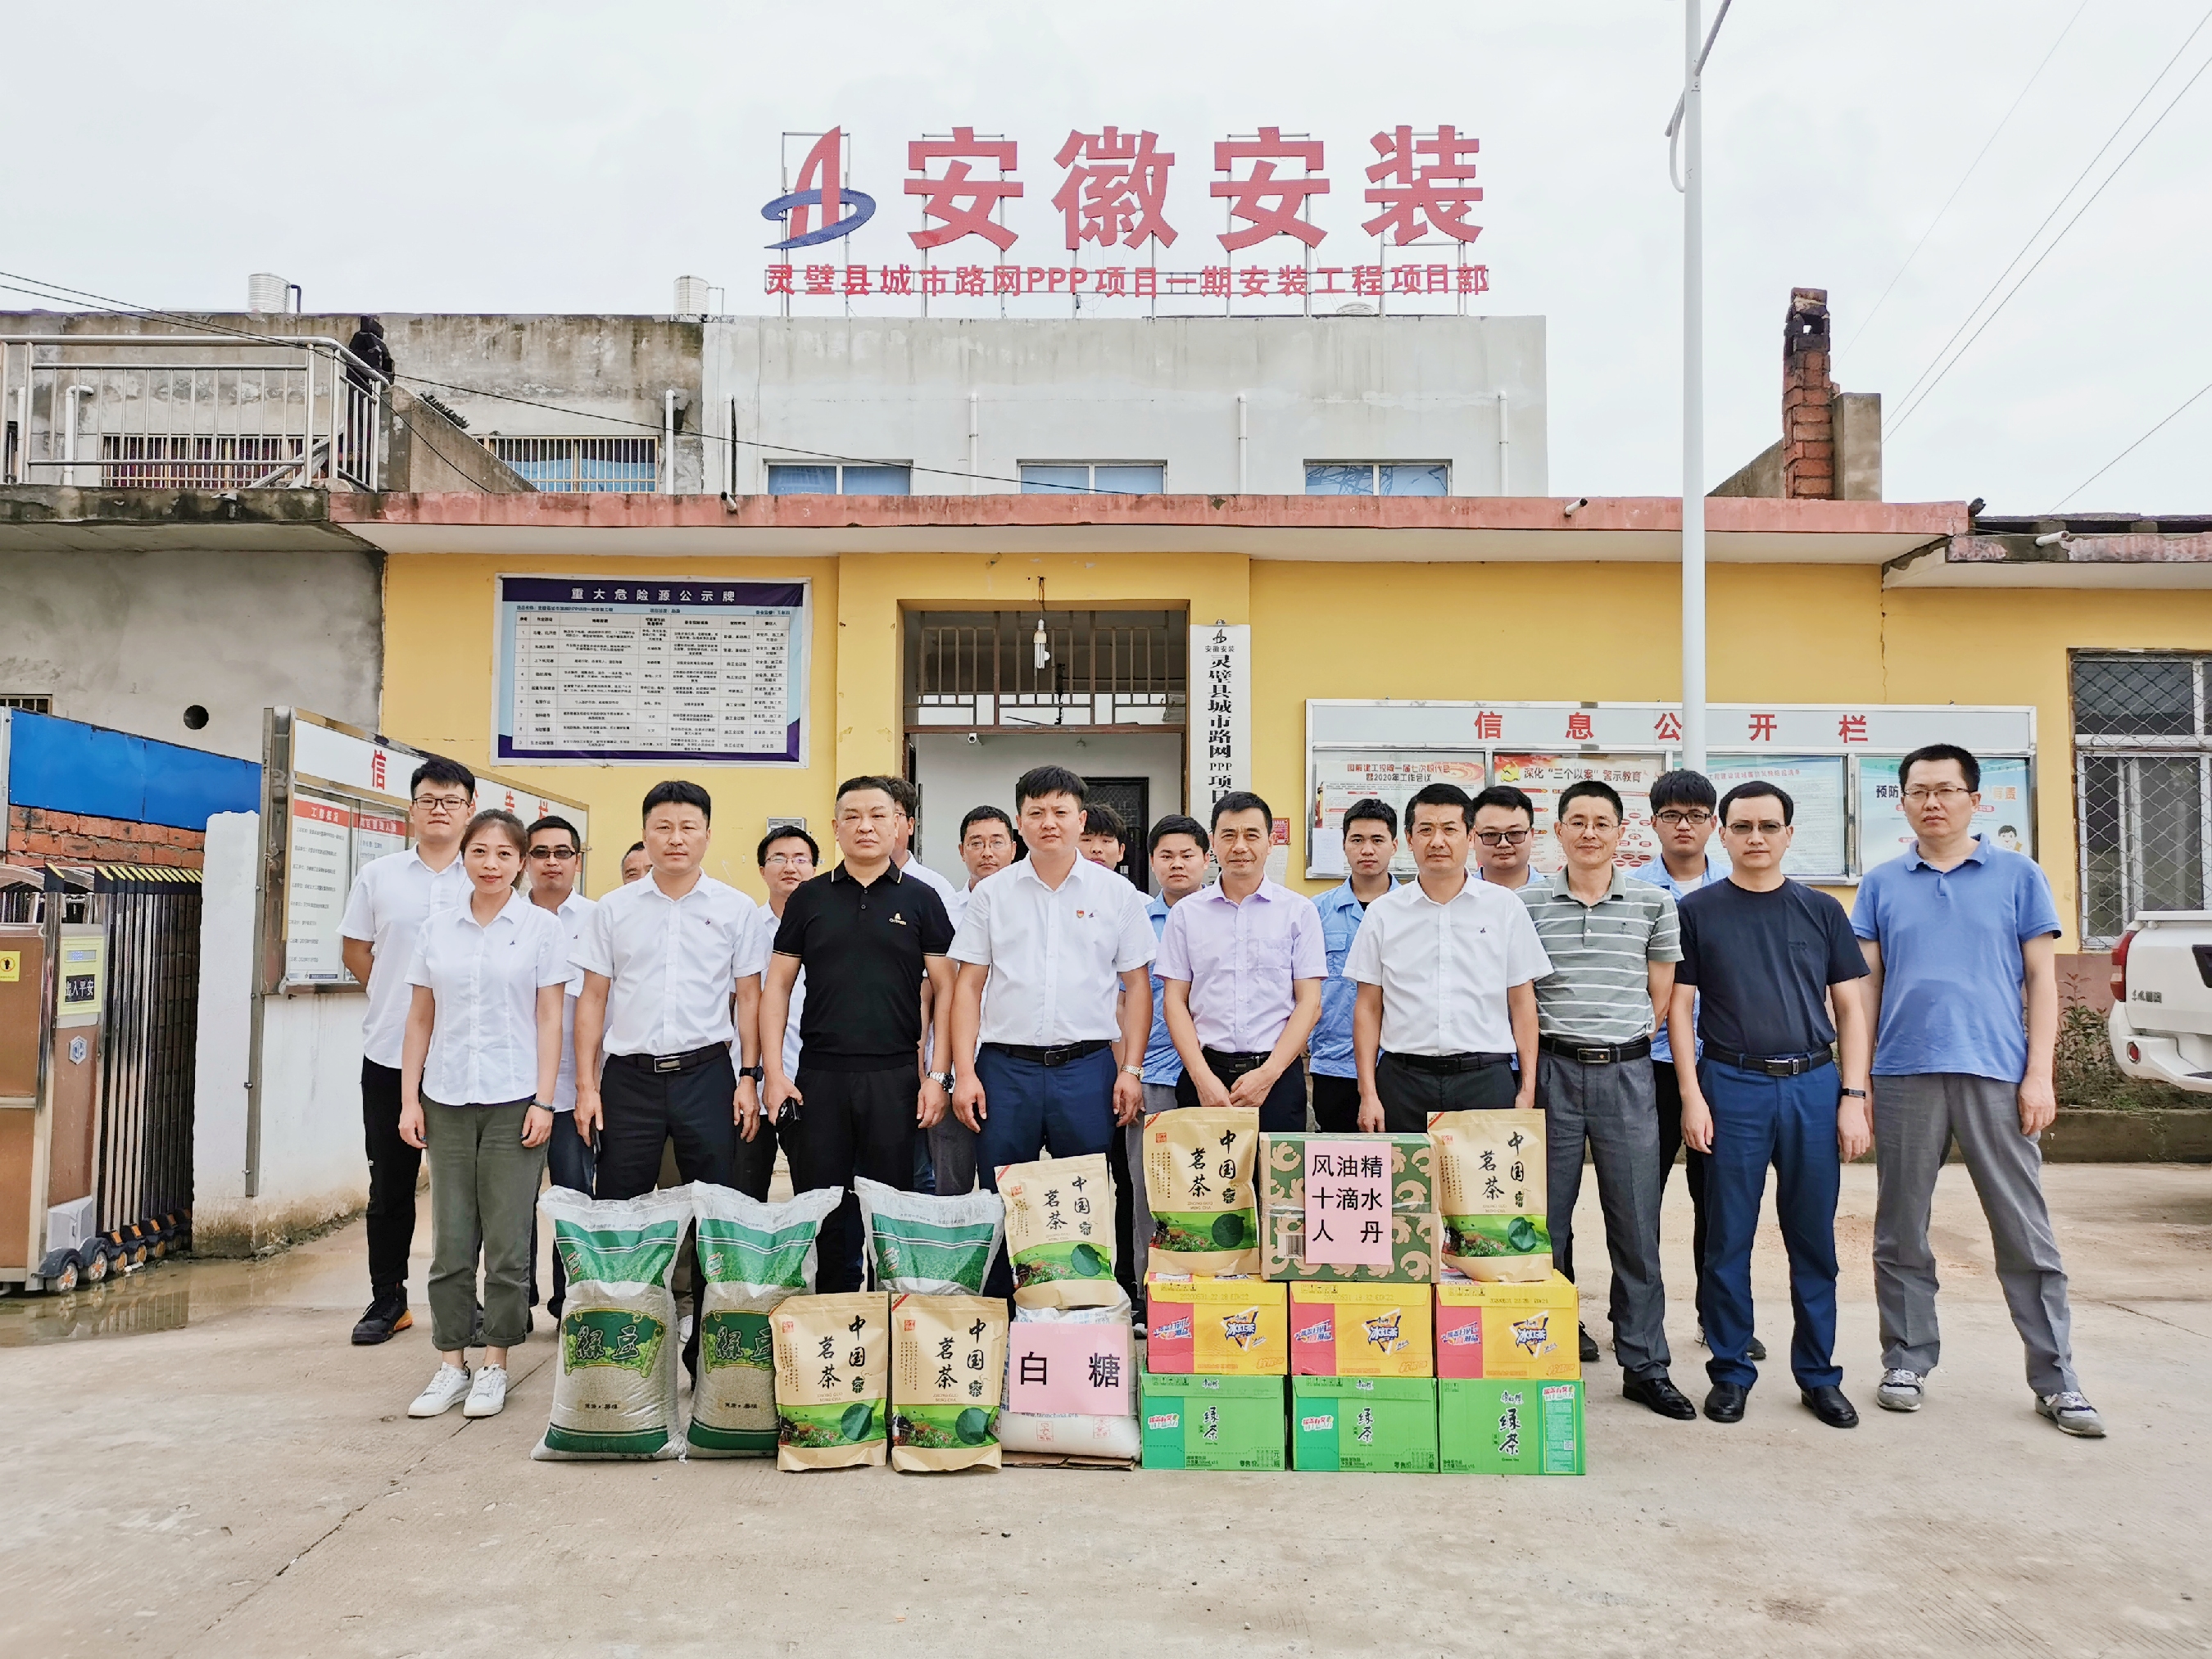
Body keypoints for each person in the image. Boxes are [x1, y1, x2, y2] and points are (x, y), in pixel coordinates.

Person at [1853, 744, 2102, 1437]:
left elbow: (2042, 981)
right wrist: (1858, 1082)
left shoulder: (2019, 875)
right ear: (1902, 801)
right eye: (1918, 791)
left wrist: (2039, 1072)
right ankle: (1906, 1359)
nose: (1932, 802)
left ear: (1975, 799)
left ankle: (2057, 1378)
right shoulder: (1881, 884)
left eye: (1946, 789)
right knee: (1901, 1227)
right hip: (1903, 1073)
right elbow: (1865, 987)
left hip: (1997, 1072)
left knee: (2024, 1230)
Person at [1670, 781, 1871, 1430]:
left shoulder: (1821, 910)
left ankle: (1818, 1375)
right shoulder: (1697, 911)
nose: (1755, 837)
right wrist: (1692, 1095)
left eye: (1768, 825)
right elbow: (1679, 1008)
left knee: (1813, 1239)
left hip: (1813, 1084)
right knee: (1727, 1236)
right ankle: (1730, 1370)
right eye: (1742, 826)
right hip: (1732, 1084)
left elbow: (1850, 1008)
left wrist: (1853, 1096)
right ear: (1722, 833)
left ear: (1788, 834)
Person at [1518, 779, 1691, 1419]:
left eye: (1602, 822)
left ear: (1622, 832)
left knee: (1637, 1225)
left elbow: (1660, 996)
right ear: (1558, 831)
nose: (1589, 832)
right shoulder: (1525, 904)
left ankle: (1645, 1364)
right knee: (1545, 1223)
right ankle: (1545, 1351)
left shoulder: (1653, 903)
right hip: (1551, 1072)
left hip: (1626, 1075)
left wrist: (1619, 1043)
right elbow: (1520, 993)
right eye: (1578, 821)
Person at [948, 766, 1155, 1298]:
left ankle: (1079, 1309)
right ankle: (1003, 1309)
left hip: (1086, 1069)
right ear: (1020, 822)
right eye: (1036, 812)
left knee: (1082, 1194)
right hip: (1004, 1069)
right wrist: (964, 1072)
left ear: (1080, 820)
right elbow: (967, 986)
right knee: (1002, 1194)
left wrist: (1131, 1070)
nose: (1049, 823)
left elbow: (1137, 987)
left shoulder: (1117, 894)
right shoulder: (993, 894)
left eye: (1061, 812)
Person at [397, 809, 566, 1420]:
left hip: (514, 1099)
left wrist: (544, 1099)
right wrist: (409, 1099)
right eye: (480, 852)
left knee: (507, 1238)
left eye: (504, 854)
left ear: (520, 862)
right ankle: (451, 1362)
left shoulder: (541, 928)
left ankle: (496, 1361)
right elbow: (420, 1017)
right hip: (445, 1097)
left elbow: (550, 1017)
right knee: (449, 1240)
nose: (491, 864)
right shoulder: (437, 929)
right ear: (463, 856)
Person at [761, 778, 954, 1294]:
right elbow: (777, 986)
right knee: (826, 1210)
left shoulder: (922, 899)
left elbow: (947, 989)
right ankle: (837, 1312)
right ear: (835, 827)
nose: (865, 826)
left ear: (898, 825)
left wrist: (937, 1075)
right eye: (852, 816)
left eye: (877, 815)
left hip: (895, 1077)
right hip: (820, 1077)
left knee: (891, 1210)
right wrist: (774, 1073)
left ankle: (891, 1316)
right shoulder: (809, 898)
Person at [573, 781, 767, 1204]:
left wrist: (749, 1077)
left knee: (714, 1203)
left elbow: (750, 998)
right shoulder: (613, 908)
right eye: (663, 827)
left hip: (707, 1076)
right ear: (645, 835)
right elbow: (592, 998)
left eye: (688, 827)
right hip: (629, 1080)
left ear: (707, 835)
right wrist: (587, 1087)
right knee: (620, 1204)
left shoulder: (736, 909)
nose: (676, 839)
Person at [338, 755, 476, 1345]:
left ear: (470, 809)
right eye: (428, 800)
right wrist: (398, 998)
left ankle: (465, 1301)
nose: (439, 810)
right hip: (390, 1054)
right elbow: (356, 949)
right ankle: (388, 1298)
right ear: (411, 809)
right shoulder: (379, 875)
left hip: (466, 1056)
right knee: (391, 1184)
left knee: (466, 1190)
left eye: (451, 800)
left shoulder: (485, 874)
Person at [1632, 768, 1766, 1363]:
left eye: (1695, 815)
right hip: (1650, 1066)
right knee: (1640, 1201)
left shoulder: (1741, 886)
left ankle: (1720, 1320)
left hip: (1725, 1065)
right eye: (1671, 816)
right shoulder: (1634, 890)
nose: (1683, 826)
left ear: (1714, 823)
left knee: (1720, 1202)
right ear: (1653, 823)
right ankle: (1640, 1321)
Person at [1348, 782, 1549, 1130]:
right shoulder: (1383, 913)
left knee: (1486, 1169)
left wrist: (1527, 1089)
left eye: (1449, 829)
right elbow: (1368, 1007)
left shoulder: (1505, 907)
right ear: (1409, 839)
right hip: (1403, 1080)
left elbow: (1522, 1001)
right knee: (1404, 1168)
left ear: (1470, 837)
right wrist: (1368, 1093)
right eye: (1426, 830)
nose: (1437, 841)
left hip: (1485, 1078)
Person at [1158, 791, 1324, 1133]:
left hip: (1277, 1076)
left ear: (1270, 842)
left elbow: (1310, 1003)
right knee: (1204, 1169)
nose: (1240, 846)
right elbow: (1174, 1000)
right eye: (1229, 835)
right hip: (1205, 1074)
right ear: (1213, 843)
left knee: (1276, 1169)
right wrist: (1201, 1078)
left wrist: (1268, 1074)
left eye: (1251, 835)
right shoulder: (1186, 914)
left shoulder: (1299, 912)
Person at [1127, 814, 1209, 1287]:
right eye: (1167, 856)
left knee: (1213, 1181)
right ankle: (1151, 1291)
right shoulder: (1136, 920)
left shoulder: (1226, 915)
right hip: (1154, 1073)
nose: (1177, 864)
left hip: (1216, 1073)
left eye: (1187, 855)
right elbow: (1122, 1000)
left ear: (1206, 859)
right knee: (1150, 1188)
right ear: (1153, 862)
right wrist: (1128, 1071)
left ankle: (1214, 1286)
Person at [524, 814, 596, 1321]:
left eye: (562, 853)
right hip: (514, 1086)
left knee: (574, 1197)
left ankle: (568, 1299)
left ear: (577, 861)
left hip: (576, 1086)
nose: (552, 862)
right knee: (513, 1201)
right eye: (541, 853)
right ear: (525, 861)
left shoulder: (597, 919)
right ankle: (516, 1298)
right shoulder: (505, 916)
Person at [931, 805, 1020, 1195]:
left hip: (1013, 1064)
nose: (987, 852)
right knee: (951, 1186)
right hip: (952, 1064)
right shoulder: (941, 911)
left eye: (997, 842)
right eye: (976, 843)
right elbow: (930, 993)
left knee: (1010, 1186)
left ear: (1013, 848)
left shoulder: (1031, 908)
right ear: (961, 851)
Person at [734, 825, 818, 1203]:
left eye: (800, 859)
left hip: (809, 1078)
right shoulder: (744, 926)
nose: (790, 867)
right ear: (762, 870)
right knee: (744, 1195)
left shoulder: (828, 926)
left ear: (814, 868)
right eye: (778, 859)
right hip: (749, 1083)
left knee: (815, 1197)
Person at [1310, 799, 1399, 1133]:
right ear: (1344, 845)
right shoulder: (1315, 912)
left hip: (1397, 1062)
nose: (1367, 850)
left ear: (1394, 845)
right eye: (1357, 840)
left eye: (1377, 840)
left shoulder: (1413, 910)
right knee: (1339, 1157)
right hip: (1333, 1061)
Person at [1471, 784, 1538, 891]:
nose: (1503, 844)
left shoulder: (1555, 895)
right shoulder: (1458, 897)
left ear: (1532, 835)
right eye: (1491, 834)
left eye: (1515, 833)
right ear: (1472, 838)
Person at [1080, 802, 1131, 878]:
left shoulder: (1126, 886)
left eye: (1106, 841)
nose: (1096, 849)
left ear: (1120, 851)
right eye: (1087, 840)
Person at [346, 315, 394, 388]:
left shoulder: (377, 343)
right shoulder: (360, 339)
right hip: (358, 380)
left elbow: (388, 365)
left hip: (369, 381)